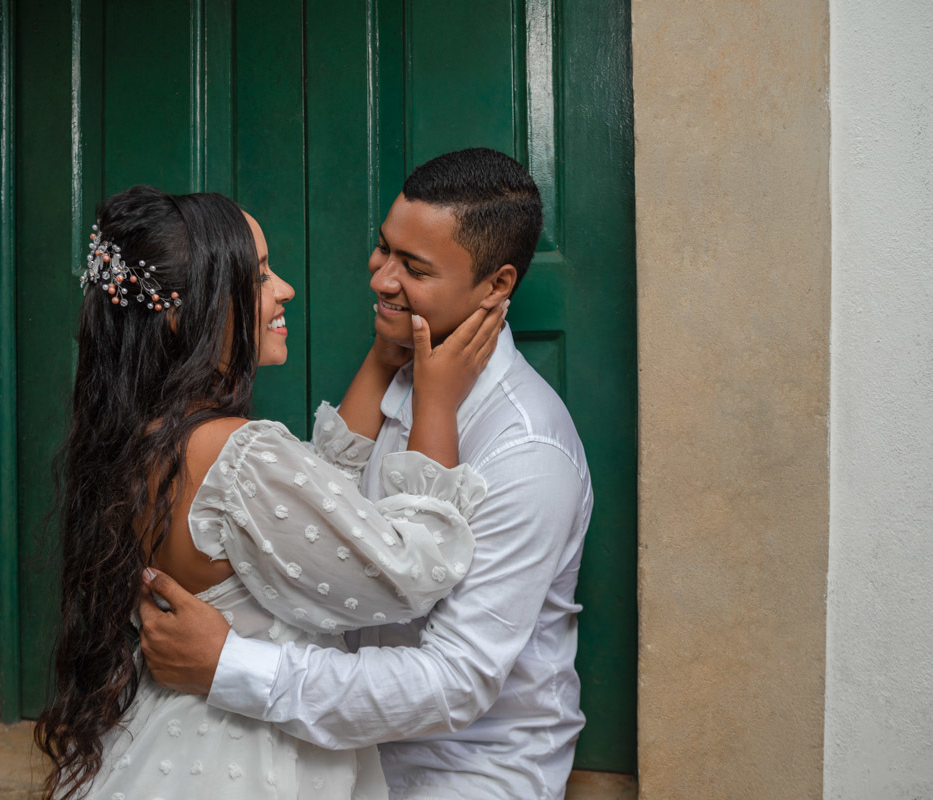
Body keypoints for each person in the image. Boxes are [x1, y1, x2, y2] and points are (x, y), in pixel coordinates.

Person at [139, 149, 594, 799]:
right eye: (383, 249)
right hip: (334, 740)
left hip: (464, 767)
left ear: (496, 286)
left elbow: (455, 683)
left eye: (414, 267)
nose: (381, 279)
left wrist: (227, 664)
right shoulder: (396, 371)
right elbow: (317, 518)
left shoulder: (528, 453)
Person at [33, 185, 507, 799]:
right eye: (257, 276)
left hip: (166, 745)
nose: (282, 288)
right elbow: (409, 571)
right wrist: (436, 405)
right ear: (182, 310)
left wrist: (384, 361)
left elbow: (312, 516)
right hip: (251, 761)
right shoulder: (238, 454)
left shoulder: (144, 438)